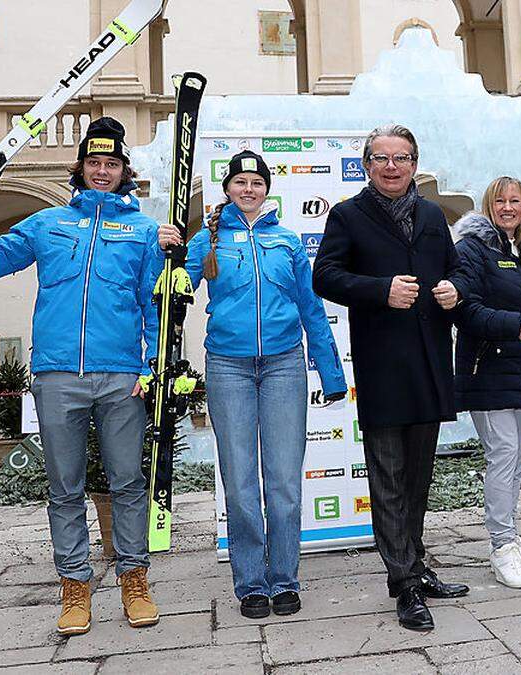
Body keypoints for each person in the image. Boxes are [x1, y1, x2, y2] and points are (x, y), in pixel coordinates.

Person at [0, 117, 160, 635]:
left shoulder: (140, 231)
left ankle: (134, 580)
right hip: (57, 376)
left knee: (129, 483)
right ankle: (75, 588)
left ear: (122, 171)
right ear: (81, 168)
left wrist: (150, 367)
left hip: (121, 376)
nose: (102, 171)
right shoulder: (47, 223)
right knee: (64, 487)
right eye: (94, 162)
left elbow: (151, 304)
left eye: (111, 164)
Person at [157, 150, 346, 619]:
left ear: (267, 189)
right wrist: (172, 265)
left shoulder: (285, 242)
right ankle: (251, 584)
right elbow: (166, 293)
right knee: (240, 483)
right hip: (228, 366)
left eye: (256, 182)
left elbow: (311, 309)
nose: (248, 189)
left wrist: (331, 371)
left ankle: (284, 578)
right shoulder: (209, 240)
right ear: (227, 189)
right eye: (239, 181)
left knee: (282, 481)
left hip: (283, 365)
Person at [312, 124, 469, 632]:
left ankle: (417, 567)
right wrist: (381, 290)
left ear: (414, 162)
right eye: (382, 158)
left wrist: (454, 290)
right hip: (382, 366)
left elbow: (456, 268)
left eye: (402, 158)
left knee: (420, 477)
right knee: (388, 479)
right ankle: (402, 585)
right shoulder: (347, 215)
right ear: (366, 164)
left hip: (428, 363)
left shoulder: (429, 213)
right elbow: (325, 275)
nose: (393, 166)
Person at [452, 177, 521, 589]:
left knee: (518, 458)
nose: (508, 207)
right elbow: (466, 310)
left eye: (515, 200)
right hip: (488, 369)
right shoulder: (472, 249)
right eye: (501, 201)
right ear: (488, 205)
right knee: (503, 453)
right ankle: (501, 546)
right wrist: (516, 326)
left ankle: (510, 538)